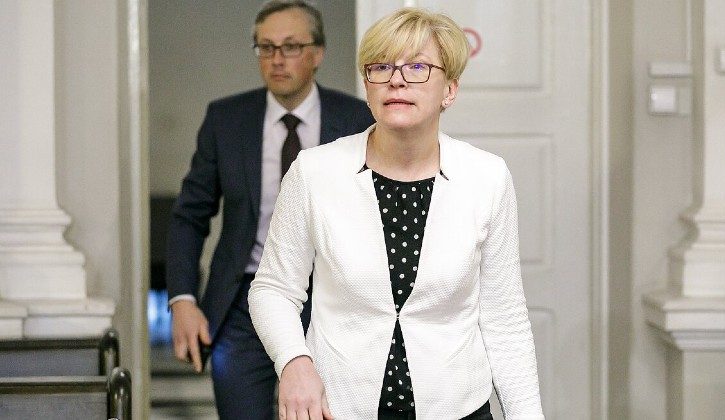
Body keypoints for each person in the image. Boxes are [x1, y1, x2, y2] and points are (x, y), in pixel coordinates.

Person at [249, 7, 544, 420]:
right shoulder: (314, 172)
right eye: (381, 67)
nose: (397, 79)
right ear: (368, 86)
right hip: (340, 407)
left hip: (457, 409)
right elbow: (273, 290)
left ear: (450, 90)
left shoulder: (487, 177)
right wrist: (294, 362)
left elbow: (504, 319)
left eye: (418, 67)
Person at [165, 1, 374, 418]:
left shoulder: (357, 119)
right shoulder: (226, 119)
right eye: (266, 47)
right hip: (243, 300)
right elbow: (190, 215)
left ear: (317, 53)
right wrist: (182, 300)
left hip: (330, 300)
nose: (277, 59)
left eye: (291, 46)